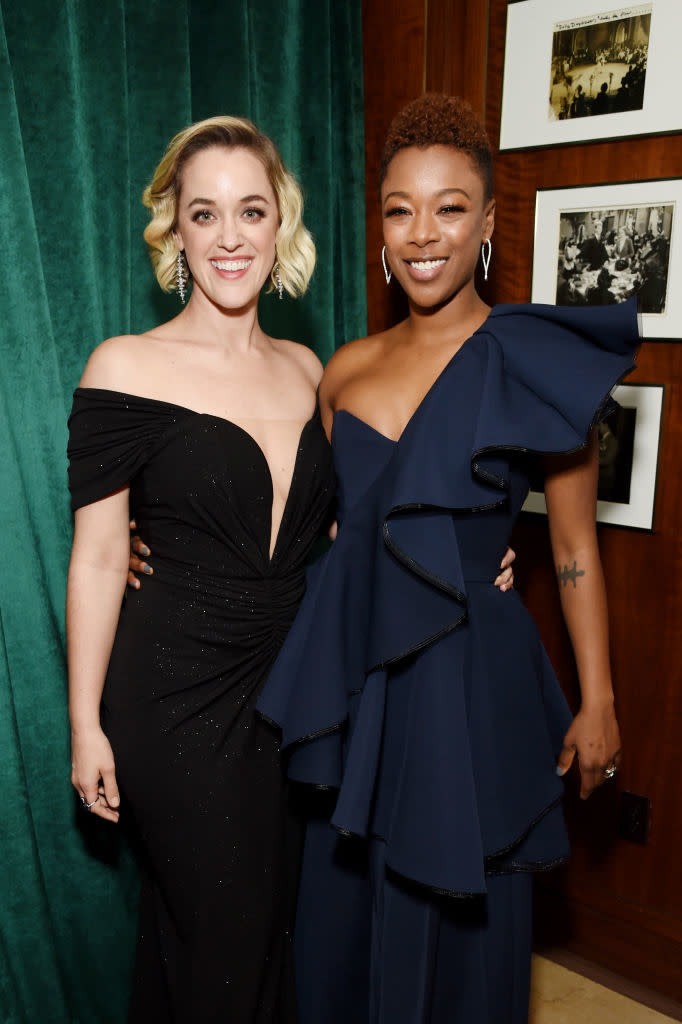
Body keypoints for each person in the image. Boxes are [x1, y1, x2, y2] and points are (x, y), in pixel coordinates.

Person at [257, 94, 639, 1024]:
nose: (423, 232)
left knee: (464, 930)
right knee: (345, 916)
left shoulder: (532, 360)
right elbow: (335, 524)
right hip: (359, 683)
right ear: (381, 226)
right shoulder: (341, 368)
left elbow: (575, 549)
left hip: (473, 677)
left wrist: (599, 699)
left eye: (450, 205)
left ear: (491, 222)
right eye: (399, 207)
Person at [66, 115, 337, 1023]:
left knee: (258, 935)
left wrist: (477, 556)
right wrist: (83, 724)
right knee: (226, 931)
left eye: (251, 211)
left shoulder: (308, 370)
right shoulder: (125, 365)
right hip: (174, 698)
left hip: (293, 696)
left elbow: (339, 530)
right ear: (175, 230)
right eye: (206, 213)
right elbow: (102, 555)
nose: (230, 237)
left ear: (279, 226)